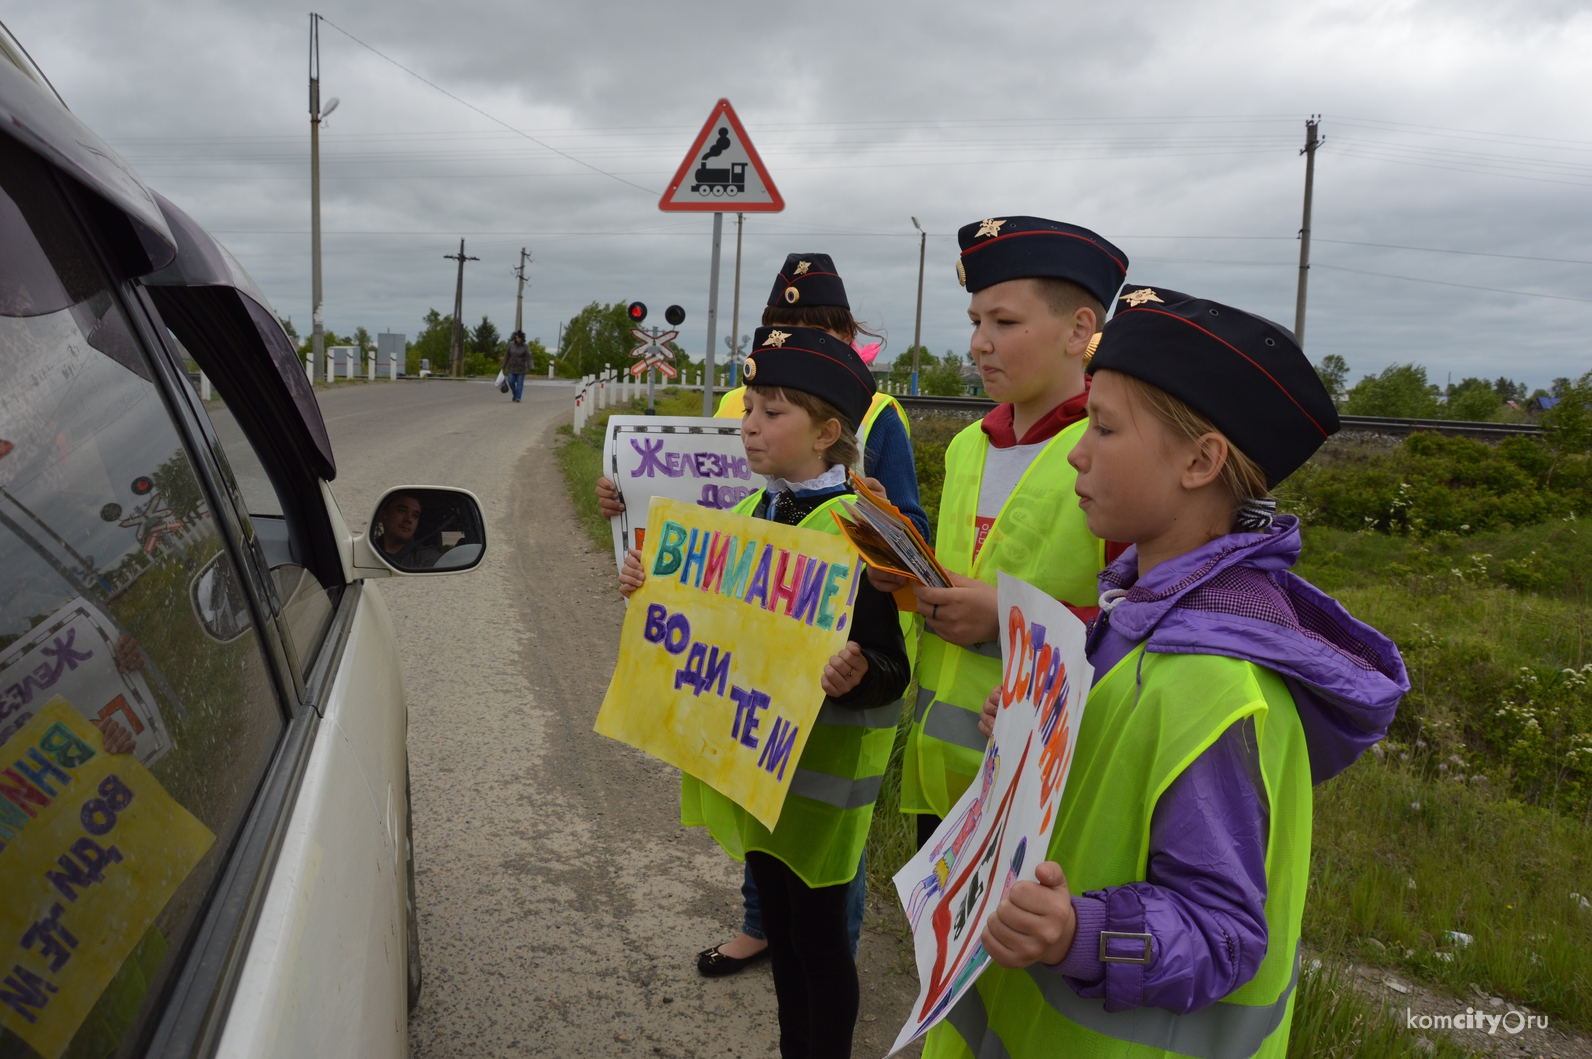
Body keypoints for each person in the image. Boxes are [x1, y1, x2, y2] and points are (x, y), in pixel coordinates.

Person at [931, 286, 1409, 1059]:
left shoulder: (1211, 679)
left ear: (1200, 460)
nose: (1078, 453)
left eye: (1104, 427)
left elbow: (1220, 932)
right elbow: (1118, 780)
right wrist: (1037, 733)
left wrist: (1077, 932)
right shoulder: (1135, 612)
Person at [596, 252, 928, 978]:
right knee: (764, 827)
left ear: (846, 332)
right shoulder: (745, 406)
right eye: (780, 325)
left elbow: (902, 548)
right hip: (755, 694)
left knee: (819, 898)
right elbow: (703, 519)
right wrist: (631, 512)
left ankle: (821, 945)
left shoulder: (875, 419)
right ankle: (760, 926)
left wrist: (882, 530)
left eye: (813, 327)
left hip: (827, 702)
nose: (791, 340)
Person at [866, 217, 1129, 851]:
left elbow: (1141, 621)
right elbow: (961, 582)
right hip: (941, 775)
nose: (980, 343)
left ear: (1080, 330)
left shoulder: (1112, 455)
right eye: (975, 322)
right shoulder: (965, 446)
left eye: (1005, 323)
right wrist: (902, 569)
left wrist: (1007, 617)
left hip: (1043, 779)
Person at [373, 492, 442, 568]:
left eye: (415, 516)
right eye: (402, 511)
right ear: (383, 515)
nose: (409, 519)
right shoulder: (368, 549)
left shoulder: (428, 559)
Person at [503, 330, 532, 402]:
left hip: (521, 368)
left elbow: (529, 357)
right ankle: (515, 394)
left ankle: (518, 398)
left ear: (522, 338)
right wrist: (503, 365)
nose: (517, 339)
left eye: (519, 338)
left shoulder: (525, 346)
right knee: (511, 382)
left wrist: (531, 366)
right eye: (516, 338)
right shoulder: (511, 344)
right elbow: (507, 355)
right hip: (512, 367)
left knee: (520, 384)